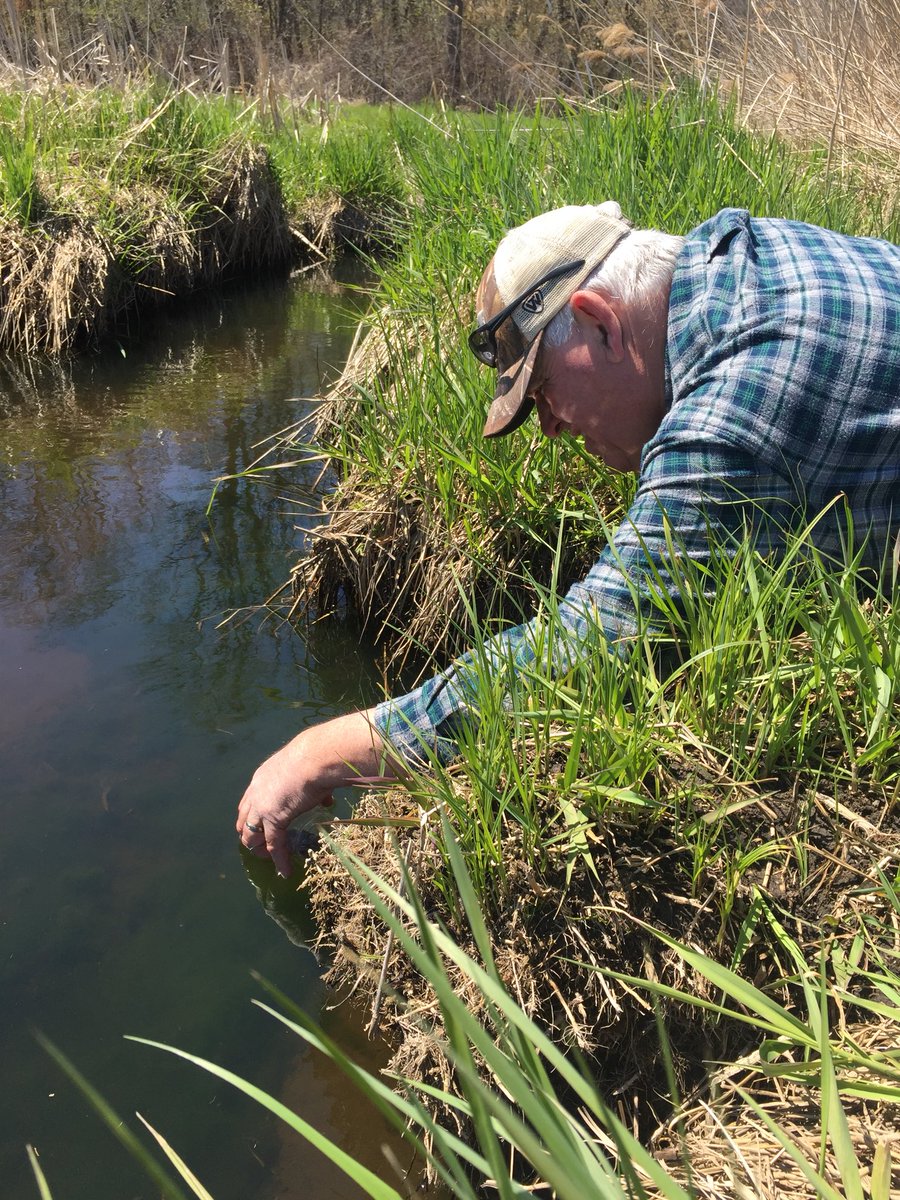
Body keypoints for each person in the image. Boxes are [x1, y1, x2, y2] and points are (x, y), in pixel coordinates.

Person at [237, 201, 900, 875]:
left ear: (600, 321)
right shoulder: (743, 253)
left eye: (545, 388)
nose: (551, 427)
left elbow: (587, 647)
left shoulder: (731, 415)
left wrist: (322, 752)